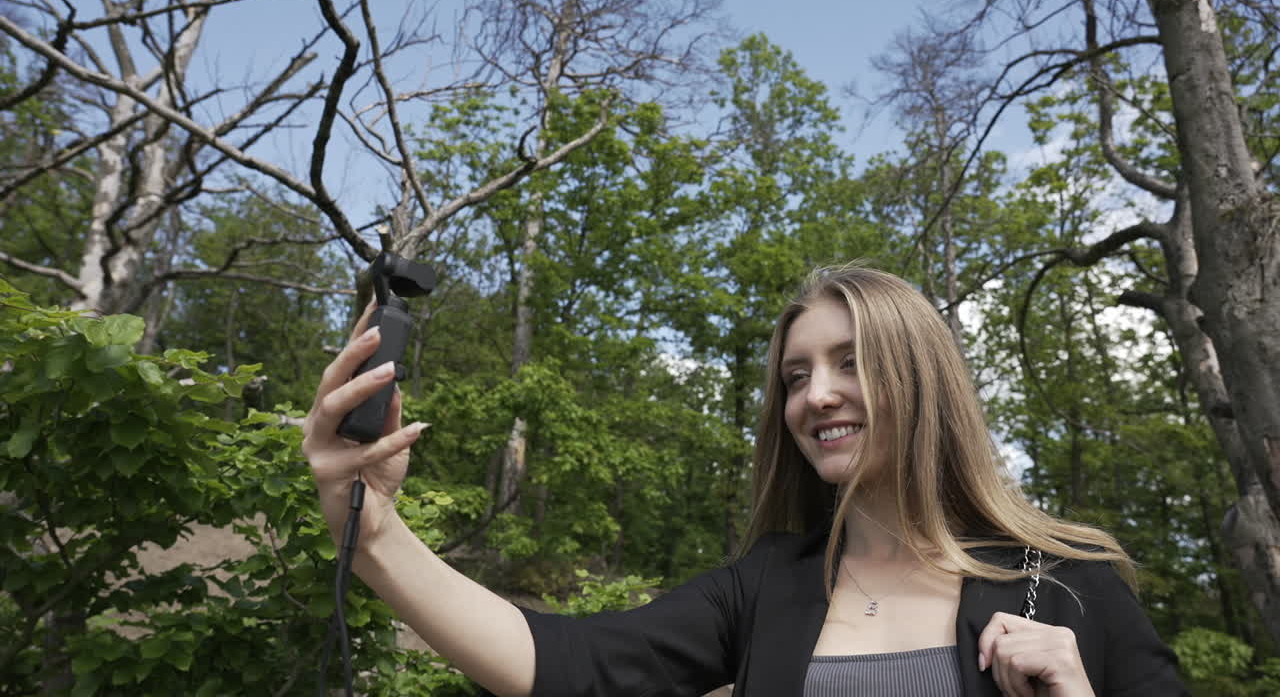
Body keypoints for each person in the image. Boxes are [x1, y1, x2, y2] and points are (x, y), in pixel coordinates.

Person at [304, 263, 1186, 697]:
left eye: (850, 362)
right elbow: (564, 662)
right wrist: (373, 532)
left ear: (924, 381)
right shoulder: (768, 584)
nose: (816, 395)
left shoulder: (1067, 583)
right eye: (796, 376)